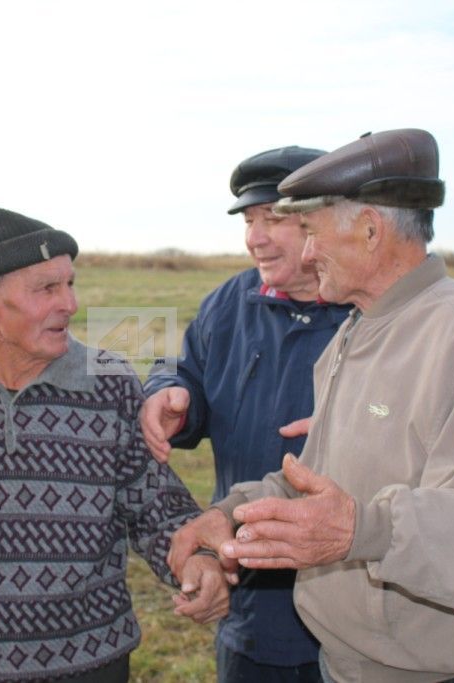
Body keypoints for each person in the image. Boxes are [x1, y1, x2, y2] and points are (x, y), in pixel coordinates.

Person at [169, 129, 454, 682]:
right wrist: (228, 514)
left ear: (371, 231)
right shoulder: (359, 330)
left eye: (310, 231)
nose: (304, 253)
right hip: (350, 664)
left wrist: (362, 530)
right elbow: (318, 477)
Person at [0, 207, 229, 683]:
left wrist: (200, 560)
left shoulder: (110, 382)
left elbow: (155, 508)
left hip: (93, 665)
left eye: (70, 284)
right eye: (47, 288)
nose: (70, 303)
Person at [140, 146, 351, 682]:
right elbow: (184, 371)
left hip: (358, 607)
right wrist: (170, 394)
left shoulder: (371, 310)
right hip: (255, 609)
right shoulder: (229, 304)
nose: (255, 236)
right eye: (250, 220)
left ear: (321, 221)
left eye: (274, 218)